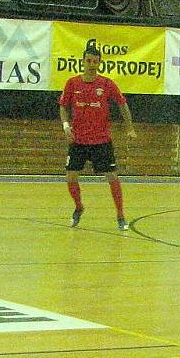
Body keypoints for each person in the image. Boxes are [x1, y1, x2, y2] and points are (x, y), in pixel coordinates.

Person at [58, 44, 136, 230]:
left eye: (95, 61)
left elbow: (122, 104)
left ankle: (120, 215)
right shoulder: (72, 83)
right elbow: (63, 106)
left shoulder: (107, 84)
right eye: (88, 61)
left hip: (101, 141)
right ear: (83, 62)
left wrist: (130, 128)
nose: (92, 64)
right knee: (70, 177)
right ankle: (78, 207)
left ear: (100, 63)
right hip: (78, 141)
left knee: (112, 177)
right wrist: (66, 126)